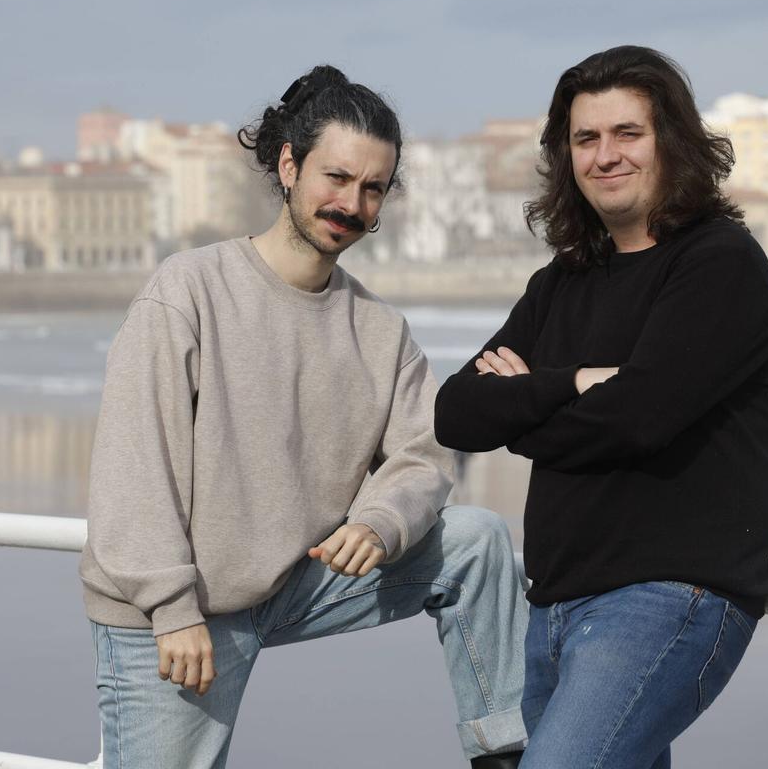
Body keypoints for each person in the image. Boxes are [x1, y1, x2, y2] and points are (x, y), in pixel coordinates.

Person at [78, 65, 527, 769]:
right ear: (289, 165)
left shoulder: (380, 329)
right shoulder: (188, 290)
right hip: (177, 614)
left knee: (476, 541)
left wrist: (380, 521)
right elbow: (134, 467)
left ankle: (502, 754)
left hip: (294, 583)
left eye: (373, 188)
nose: (352, 203)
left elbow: (425, 453)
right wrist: (172, 611)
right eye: (337, 178)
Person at [434, 46, 768, 769]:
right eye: (585, 139)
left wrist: (526, 407)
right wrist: (572, 383)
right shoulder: (562, 281)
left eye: (627, 133)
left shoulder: (719, 264)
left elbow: (637, 418)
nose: (605, 156)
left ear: (671, 140)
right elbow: (456, 414)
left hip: (671, 602)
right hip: (555, 607)